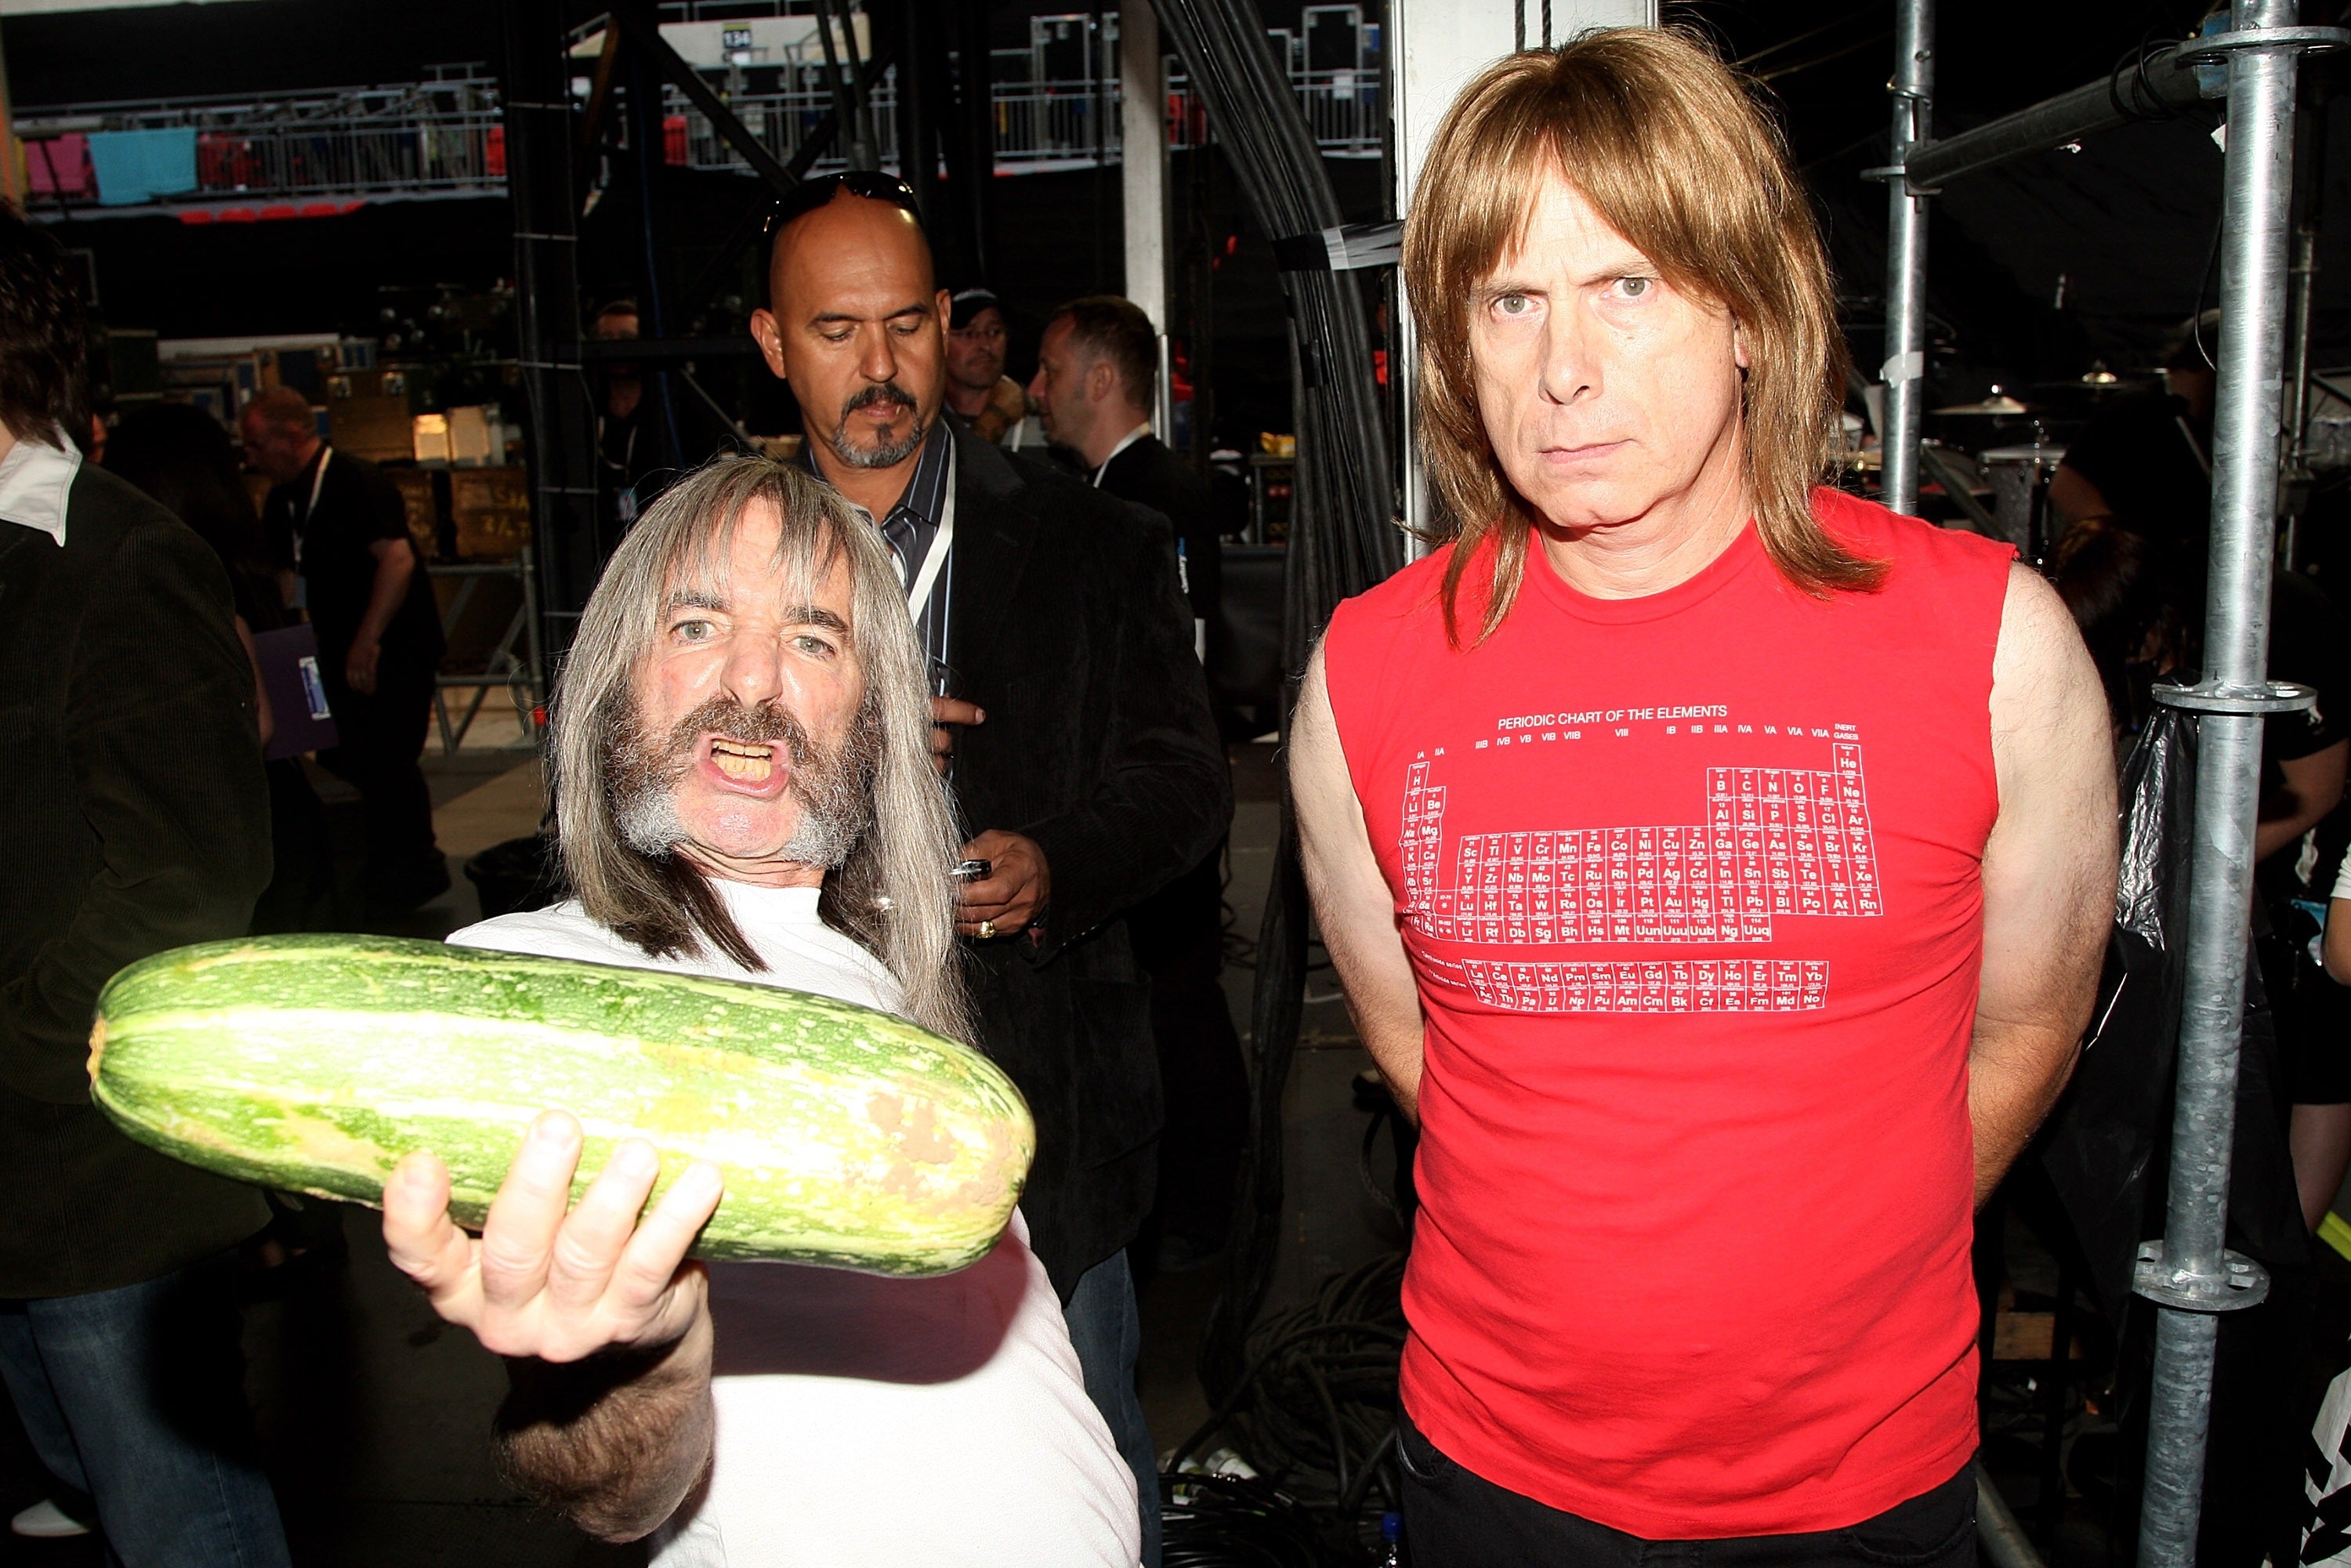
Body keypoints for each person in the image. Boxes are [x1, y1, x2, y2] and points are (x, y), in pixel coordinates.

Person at [1292, 33, 2115, 1561]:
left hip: (1862, 1493)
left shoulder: (1996, 648)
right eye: (1510, 300)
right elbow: (1424, 1050)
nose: (1565, 366)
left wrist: (1837, 1254)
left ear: (1750, 307)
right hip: (1494, 1476)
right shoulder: (1361, 681)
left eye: (1629, 284)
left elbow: (2028, 1021)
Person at [382, 457, 1139, 1566]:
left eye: (814, 638)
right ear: (613, 684)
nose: (754, 679)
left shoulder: (883, 979)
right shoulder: (533, 990)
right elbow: (610, 1483)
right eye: (695, 624)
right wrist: (626, 1364)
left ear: (876, 721)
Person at [748, 172, 1230, 1565]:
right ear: (775, 345)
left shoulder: (1096, 544)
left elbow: (1188, 782)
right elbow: (611, 809)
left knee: (1078, 1467)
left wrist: (1057, 861)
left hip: (1049, 1114)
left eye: (908, 322)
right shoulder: (710, 567)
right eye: (835, 330)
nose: (880, 365)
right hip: (802, 1107)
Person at [0, 201, 291, 1566]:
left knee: (182, 1522)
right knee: (87, 1467)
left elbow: (187, 878)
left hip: (91, 1178)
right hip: (24, 1170)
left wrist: (24, 1037)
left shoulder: (113, 560)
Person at [1030, 293, 1244, 1266]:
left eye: (1050, 371)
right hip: (1173, 791)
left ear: (1100, 379)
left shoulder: (1131, 507)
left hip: (1153, 797)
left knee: (1177, 1014)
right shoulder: (1167, 486)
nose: (1037, 393)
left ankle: (1192, 1216)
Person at [106, 402, 335, 934]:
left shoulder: (172, 573)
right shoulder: (236, 555)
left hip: (238, 833)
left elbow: (257, 721)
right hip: (282, 819)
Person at [242, 385, 449, 914]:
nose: (253, 458)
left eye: (259, 444)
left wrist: (368, 639)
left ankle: (411, 870)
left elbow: (397, 560)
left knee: (387, 758)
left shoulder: (357, 480)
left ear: (293, 436)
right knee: (344, 762)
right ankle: (365, 872)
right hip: (328, 650)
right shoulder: (282, 500)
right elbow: (287, 579)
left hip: (388, 649)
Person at [592, 298, 663, 528]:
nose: (616, 349)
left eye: (625, 339)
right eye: (607, 340)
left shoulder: (662, 410)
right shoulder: (588, 409)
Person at [943, 287, 1034, 447]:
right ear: (940, 342)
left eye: (994, 332)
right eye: (968, 333)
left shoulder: (1043, 427)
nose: (985, 345)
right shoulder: (922, 423)